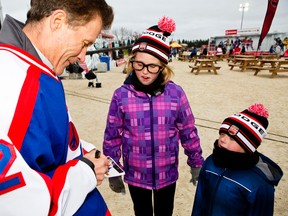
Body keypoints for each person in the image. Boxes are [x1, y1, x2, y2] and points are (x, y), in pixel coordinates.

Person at [0, 0, 114, 215]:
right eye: (84, 43)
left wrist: (84, 151)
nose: (82, 56)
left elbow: (46, 145)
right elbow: (18, 205)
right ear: (58, 21)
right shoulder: (13, 81)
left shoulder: (38, 68)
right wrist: (87, 171)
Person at [102, 16, 204, 216]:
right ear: (132, 63)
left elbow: (188, 130)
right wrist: (113, 170)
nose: (145, 72)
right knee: (142, 212)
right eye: (139, 64)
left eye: (152, 66)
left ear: (163, 66)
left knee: (165, 212)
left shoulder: (176, 93)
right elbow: (112, 136)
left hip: (167, 174)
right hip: (136, 174)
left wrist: (196, 162)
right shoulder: (121, 95)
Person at [191, 103, 283, 216]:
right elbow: (200, 200)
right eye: (222, 134)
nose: (223, 140)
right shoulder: (211, 162)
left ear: (247, 146)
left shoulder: (259, 184)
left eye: (232, 138)